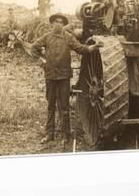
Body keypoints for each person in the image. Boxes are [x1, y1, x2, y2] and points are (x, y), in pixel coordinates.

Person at [31, 13, 102, 148]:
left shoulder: (68, 37)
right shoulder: (46, 37)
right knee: (51, 106)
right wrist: (42, 61)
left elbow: (81, 49)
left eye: (61, 22)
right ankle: (49, 134)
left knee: (64, 107)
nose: (58, 24)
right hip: (50, 76)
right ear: (52, 24)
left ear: (63, 25)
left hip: (64, 77)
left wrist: (94, 47)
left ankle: (66, 136)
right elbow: (34, 48)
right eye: (56, 22)